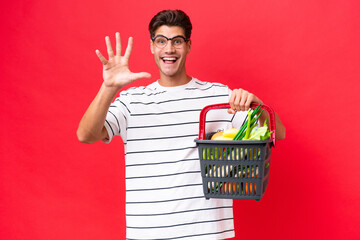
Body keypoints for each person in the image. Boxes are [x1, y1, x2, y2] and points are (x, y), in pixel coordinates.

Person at [77, 9, 285, 240]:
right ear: (152, 46)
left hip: (205, 233)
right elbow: (86, 134)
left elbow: (280, 133)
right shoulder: (131, 100)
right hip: (147, 232)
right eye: (161, 41)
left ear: (188, 46)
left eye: (177, 41)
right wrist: (109, 88)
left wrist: (258, 104)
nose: (169, 49)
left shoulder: (218, 97)